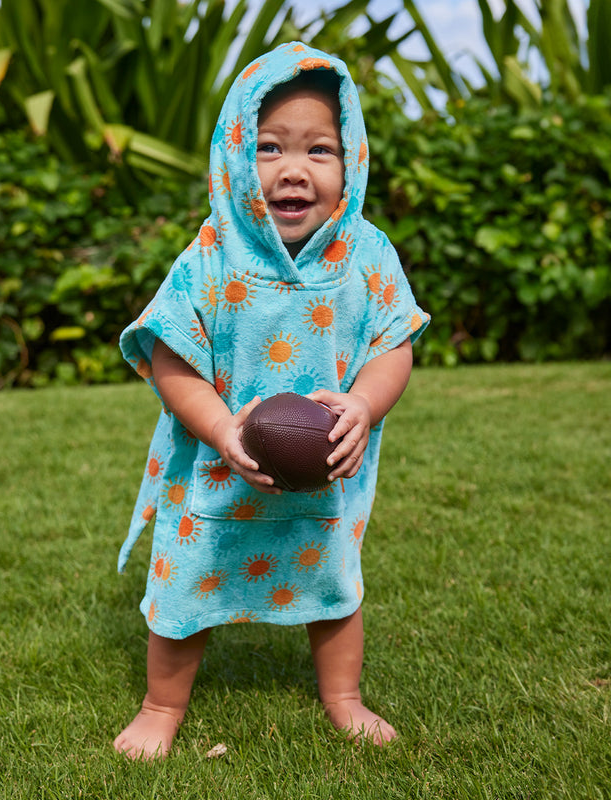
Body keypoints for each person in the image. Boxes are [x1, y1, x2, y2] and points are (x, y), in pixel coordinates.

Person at [113, 41, 429, 760]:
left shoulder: (366, 254)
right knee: (186, 588)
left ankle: (343, 698)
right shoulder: (210, 257)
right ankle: (162, 706)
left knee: (333, 584)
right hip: (216, 475)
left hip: (323, 480)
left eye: (320, 149)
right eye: (267, 148)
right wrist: (223, 429)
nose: (293, 169)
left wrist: (363, 407)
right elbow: (172, 359)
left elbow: (394, 343)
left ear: (351, 161)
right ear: (233, 157)